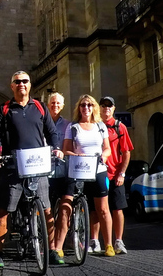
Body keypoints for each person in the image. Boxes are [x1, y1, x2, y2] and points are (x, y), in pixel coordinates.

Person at [0, 71, 63, 269]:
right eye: (17, 81)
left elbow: (52, 131)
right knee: (4, 211)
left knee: (46, 209)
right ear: (11, 86)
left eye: (25, 81)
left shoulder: (39, 106)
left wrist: (56, 148)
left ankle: (52, 250)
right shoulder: (4, 108)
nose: (21, 84)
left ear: (30, 85)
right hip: (12, 166)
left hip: (38, 166)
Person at [53, 95, 114, 261]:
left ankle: (109, 244)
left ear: (93, 107)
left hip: (97, 169)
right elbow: (66, 150)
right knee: (66, 207)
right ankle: (58, 247)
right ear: (78, 108)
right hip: (77, 168)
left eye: (89, 104)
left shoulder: (100, 126)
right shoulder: (73, 127)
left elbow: (107, 148)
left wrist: (104, 156)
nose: (85, 108)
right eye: (82, 105)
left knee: (103, 209)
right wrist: (77, 154)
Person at [99, 96, 134, 255]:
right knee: (96, 210)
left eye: (109, 106)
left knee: (117, 208)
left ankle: (118, 240)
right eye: (103, 105)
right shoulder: (95, 126)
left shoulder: (120, 127)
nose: (106, 108)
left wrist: (122, 173)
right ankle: (95, 240)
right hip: (98, 174)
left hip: (114, 174)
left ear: (113, 109)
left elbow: (126, 152)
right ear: (99, 108)